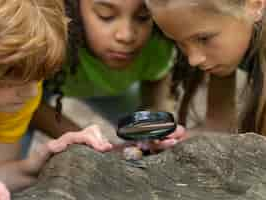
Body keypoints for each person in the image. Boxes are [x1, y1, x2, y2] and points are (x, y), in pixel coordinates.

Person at [0, 0, 113, 199]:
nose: (32, 93)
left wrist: (38, 164)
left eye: (37, 76)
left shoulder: (14, 95)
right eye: (16, 76)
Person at [30, 0, 186, 151]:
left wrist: (155, 128)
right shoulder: (41, 34)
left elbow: (157, 86)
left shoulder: (158, 38)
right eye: (106, 15)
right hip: (34, 90)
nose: (126, 36)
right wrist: (92, 144)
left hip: (115, 88)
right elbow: (27, 107)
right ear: (72, 5)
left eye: (143, 16)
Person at [145, 0, 266, 135]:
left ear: (255, 5)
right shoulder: (224, 53)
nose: (193, 60)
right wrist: (177, 140)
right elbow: (218, 130)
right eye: (178, 42)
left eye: (203, 38)